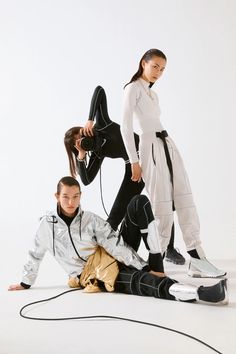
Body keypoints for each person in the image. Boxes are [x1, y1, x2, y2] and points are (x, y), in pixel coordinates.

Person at [8, 176, 228, 306]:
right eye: (65, 196)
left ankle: (157, 267)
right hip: (94, 274)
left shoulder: (89, 220)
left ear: (80, 196)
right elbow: (35, 254)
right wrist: (26, 283)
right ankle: (200, 293)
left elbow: (114, 243)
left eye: (75, 196)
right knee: (142, 283)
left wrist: (144, 265)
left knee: (138, 202)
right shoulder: (47, 226)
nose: (71, 201)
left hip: (113, 257)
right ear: (57, 196)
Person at [120, 48, 226, 278]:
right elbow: (125, 127)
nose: (158, 72)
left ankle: (196, 256)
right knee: (162, 205)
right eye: (155, 66)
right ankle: (156, 260)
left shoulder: (152, 94)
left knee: (184, 196)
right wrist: (133, 161)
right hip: (149, 147)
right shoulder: (132, 89)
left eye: (163, 69)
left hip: (167, 144)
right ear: (143, 63)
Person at [64, 85, 185, 265]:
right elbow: (87, 180)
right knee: (113, 219)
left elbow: (99, 91)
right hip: (133, 172)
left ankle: (169, 249)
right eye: (78, 144)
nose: (84, 141)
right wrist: (82, 156)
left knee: (163, 203)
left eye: (81, 136)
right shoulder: (97, 153)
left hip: (149, 157)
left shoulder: (102, 124)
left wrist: (90, 120)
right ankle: (100, 255)